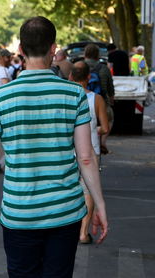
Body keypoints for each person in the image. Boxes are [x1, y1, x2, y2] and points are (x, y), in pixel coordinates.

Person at [0, 16, 108, 277]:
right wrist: (100, 205)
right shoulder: (74, 94)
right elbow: (85, 158)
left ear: (21, 51)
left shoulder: (1, 98)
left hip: (19, 212)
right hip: (64, 212)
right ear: (53, 49)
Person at [69, 61, 109, 244]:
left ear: (70, 77)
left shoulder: (66, 96)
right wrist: (93, 130)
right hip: (91, 149)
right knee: (88, 191)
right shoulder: (96, 99)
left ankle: (68, 227)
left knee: (69, 189)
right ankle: (83, 233)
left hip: (69, 150)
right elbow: (105, 127)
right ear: (88, 77)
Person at [84, 43, 114, 155]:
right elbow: (110, 88)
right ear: (97, 55)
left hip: (82, 101)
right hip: (101, 101)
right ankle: (103, 141)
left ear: (85, 54)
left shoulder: (80, 65)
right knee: (109, 118)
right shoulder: (104, 68)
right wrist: (111, 99)